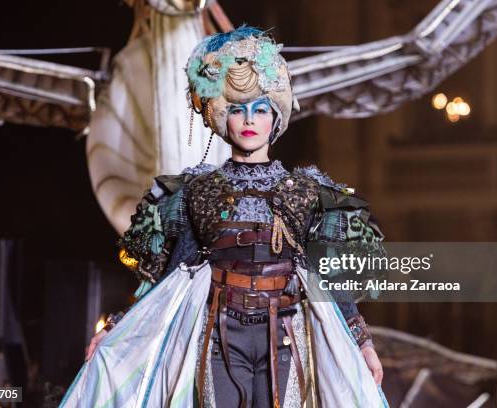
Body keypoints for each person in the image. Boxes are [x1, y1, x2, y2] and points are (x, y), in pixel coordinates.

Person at [62, 26, 388, 408]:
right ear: (221, 117)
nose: (249, 120)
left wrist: (362, 342)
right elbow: (171, 276)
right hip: (218, 334)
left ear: (275, 118)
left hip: (285, 332)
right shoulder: (197, 191)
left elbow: (326, 277)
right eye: (237, 109)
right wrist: (119, 328)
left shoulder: (307, 191)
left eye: (260, 109)